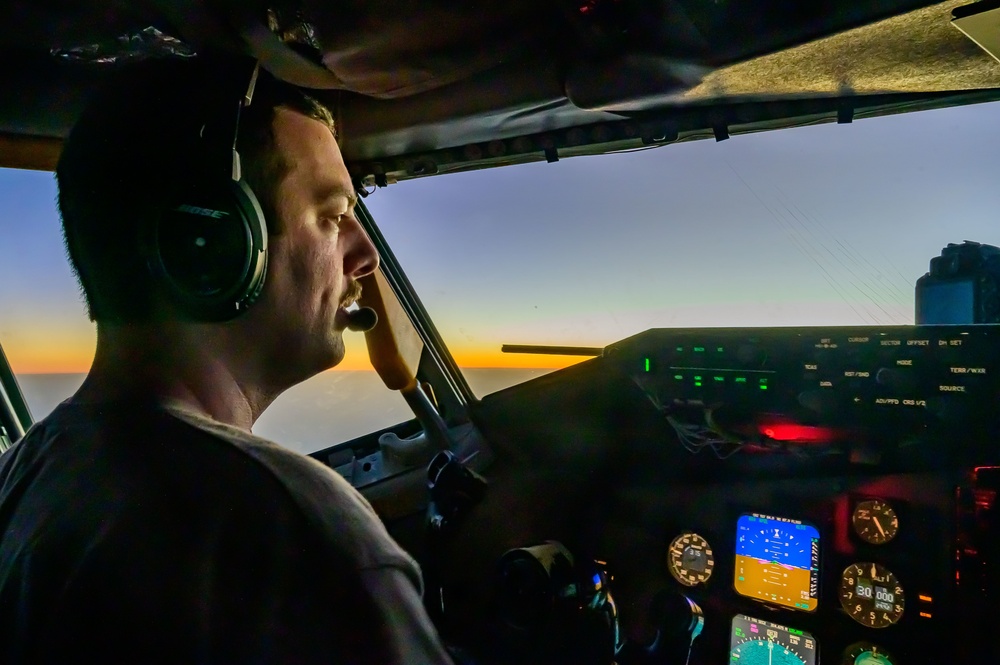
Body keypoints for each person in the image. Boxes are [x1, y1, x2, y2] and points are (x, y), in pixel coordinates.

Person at [0, 55, 454, 664]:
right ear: (214, 243)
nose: (366, 254)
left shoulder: (29, 472)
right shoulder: (297, 530)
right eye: (333, 216)